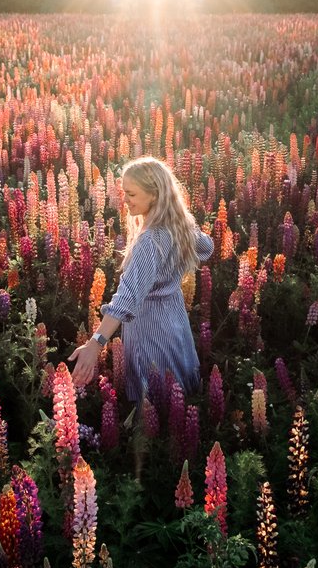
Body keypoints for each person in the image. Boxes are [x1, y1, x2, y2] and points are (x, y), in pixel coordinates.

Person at [69, 155, 214, 403]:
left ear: (154, 194)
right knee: (179, 393)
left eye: (132, 194)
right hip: (175, 320)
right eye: (124, 192)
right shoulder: (178, 226)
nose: (124, 200)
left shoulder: (150, 241)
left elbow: (127, 297)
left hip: (149, 329)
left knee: (153, 400)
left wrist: (96, 343)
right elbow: (206, 247)